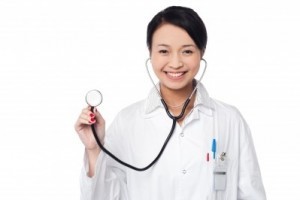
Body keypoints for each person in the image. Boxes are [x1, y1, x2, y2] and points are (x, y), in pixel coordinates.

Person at [75, 6, 266, 200]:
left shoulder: (230, 119)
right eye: (164, 51)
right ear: (150, 53)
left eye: (187, 51)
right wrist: (94, 149)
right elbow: (104, 197)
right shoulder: (127, 121)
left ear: (202, 52)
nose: (175, 63)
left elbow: (252, 194)